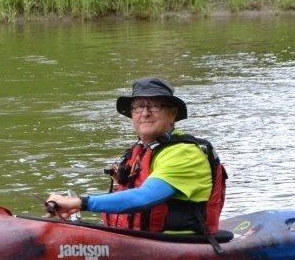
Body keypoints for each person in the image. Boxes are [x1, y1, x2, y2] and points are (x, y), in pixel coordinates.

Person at [46, 76, 226, 238]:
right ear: (132, 115)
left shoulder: (184, 153)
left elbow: (144, 197)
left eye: (155, 106)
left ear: (172, 114)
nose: (145, 113)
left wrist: (79, 202)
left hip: (180, 244)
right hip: (135, 239)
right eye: (139, 106)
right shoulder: (140, 150)